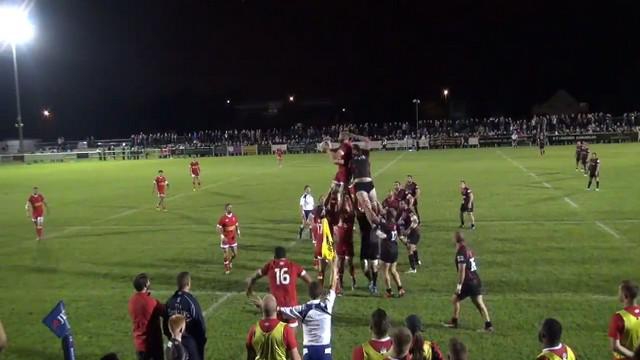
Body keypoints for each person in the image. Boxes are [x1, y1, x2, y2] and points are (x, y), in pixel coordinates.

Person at [277, 259, 339, 360]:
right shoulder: (327, 306)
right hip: (325, 349)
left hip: (309, 350)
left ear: (309, 294)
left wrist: (263, 305)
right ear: (321, 294)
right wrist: (334, 269)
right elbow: (333, 287)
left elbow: (281, 310)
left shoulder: (302, 310)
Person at [246, 246, 312, 327]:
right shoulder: (294, 266)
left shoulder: (270, 265)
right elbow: (310, 281)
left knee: (275, 335)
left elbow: (256, 276)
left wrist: (250, 287)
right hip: (291, 307)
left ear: (274, 257)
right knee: (291, 337)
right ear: (285, 257)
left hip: (275, 307)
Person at [443, 232, 493, 332]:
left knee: (455, 299)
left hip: (468, 282)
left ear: (456, 240)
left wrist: (459, 285)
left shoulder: (461, 252)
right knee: (479, 303)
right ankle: (488, 325)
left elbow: (462, 270)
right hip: (476, 279)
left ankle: (454, 322)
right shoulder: (467, 249)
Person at [165, 272, 206, 360]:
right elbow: (200, 325)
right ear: (188, 284)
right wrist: (201, 342)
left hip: (173, 342)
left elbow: (165, 323)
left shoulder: (170, 301)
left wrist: (171, 338)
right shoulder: (191, 301)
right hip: (189, 343)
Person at [246, 294, 301, 360]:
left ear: (262, 309)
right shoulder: (285, 330)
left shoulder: (253, 330)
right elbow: (295, 358)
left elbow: (250, 357)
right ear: (276, 308)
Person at [128, 273, 165, 360]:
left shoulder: (132, 301)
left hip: (139, 344)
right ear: (145, 286)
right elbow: (164, 311)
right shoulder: (151, 302)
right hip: (152, 344)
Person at [350, 137, 383, 234]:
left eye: (352, 149)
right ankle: (374, 227)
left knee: (374, 205)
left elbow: (367, 140)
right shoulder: (350, 159)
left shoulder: (365, 154)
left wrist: (354, 135)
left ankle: (378, 223)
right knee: (366, 205)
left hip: (369, 183)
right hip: (359, 184)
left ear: (356, 149)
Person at [608, 280, 640, 359]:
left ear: (625, 296)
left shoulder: (619, 317)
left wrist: (634, 356)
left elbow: (615, 346)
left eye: (619, 292)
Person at [379, 209, 405, 298]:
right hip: (395, 249)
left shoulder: (385, 225)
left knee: (385, 271)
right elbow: (399, 235)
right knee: (393, 270)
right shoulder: (395, 224)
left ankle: (389, 291)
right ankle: (400, 289)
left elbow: (379, 232)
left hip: (387, 249)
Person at [336, 192, 357, 293]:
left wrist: (348, 198)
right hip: (341, 244)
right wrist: (343, 198)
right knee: (341, 263)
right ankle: (340, 282)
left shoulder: (351, 217)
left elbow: (352, 208)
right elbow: (340, 207)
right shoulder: (340, 216)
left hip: (348, 244)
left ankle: (353, 279)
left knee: (350, 263)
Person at [326, 132, 353, 210]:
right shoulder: (346, 145)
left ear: (344, 137)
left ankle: (341, 213)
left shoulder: (345, 145)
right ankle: (328, 209)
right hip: (341, 172)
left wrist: (328, 151)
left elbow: (336, 159)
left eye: (339, 135)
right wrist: (329, 146)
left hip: (345, 173)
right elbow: (336, 151)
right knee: (332, 190)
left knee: (341, 195)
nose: (338, 137)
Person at [398, 201, 421, 273]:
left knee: (409, 248)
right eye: (400, 203)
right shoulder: (402, 212)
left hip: (414, 232)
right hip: (410, 233)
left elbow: (415, 221)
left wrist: (408, 230)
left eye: (402, 203)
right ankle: (417, 261)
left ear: (405, 205)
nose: (400, 205)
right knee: (412, 247)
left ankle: (413, 268)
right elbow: (400, 222)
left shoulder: (409, 211)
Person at [217, 203, 240, 274]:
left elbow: (236, 224)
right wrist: (222, 236)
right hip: (225, 239)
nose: (230, 209)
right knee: (226, 254)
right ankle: (227, 268)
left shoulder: (234, 217)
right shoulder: (223, 218)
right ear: (226, 209)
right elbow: (218, 227)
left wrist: (238, 231)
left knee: (235, 254)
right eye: (229, 208)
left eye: (231, 207)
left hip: (233, 238)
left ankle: (230, 261)